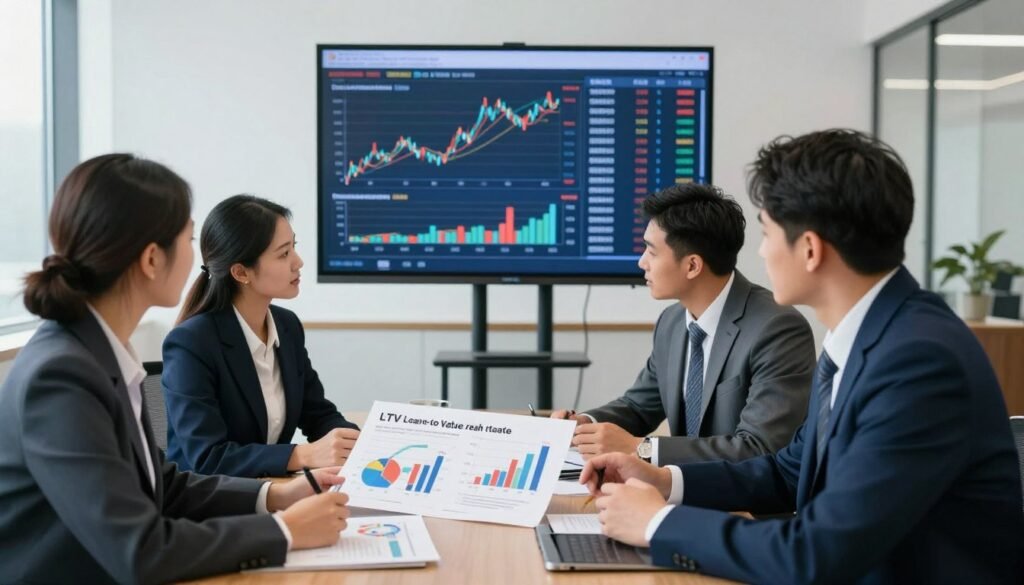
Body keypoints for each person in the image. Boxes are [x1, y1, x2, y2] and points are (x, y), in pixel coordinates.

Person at [581, 130, 1024, 583]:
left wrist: (656, 523)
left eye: (768, 232)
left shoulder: (919, 362)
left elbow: (816, 554)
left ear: (810, 249)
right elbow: (786, 471)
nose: (760, 251)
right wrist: (664, 482)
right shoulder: (866, 337)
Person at [0, 154, 352, 584]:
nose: (198, 258)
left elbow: (163, 485)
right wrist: (283, 531)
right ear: (152, 260)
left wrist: (277, 495)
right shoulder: (60, 378)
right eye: (188, 239)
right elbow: (140, 551)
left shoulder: (98, 352)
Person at [554, 183, 815, 465]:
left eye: (652, 252)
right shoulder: (672, 321)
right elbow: (639, 407)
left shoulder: (778, 329)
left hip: (747, 506)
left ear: (692, 266)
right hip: (676, 491)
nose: (642, 262)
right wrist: (584, 424)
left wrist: (641, 448)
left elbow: (758, 447)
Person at [162, 195, 359, 478]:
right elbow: (208, 458)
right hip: (213, 506)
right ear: (241, 272)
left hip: (273, 489)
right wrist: (303, 454)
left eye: (294, 248)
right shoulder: (191, 343)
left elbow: (318, 414)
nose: (298, 262)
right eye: (283, 254)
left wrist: (358, 443)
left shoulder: (286, 326)